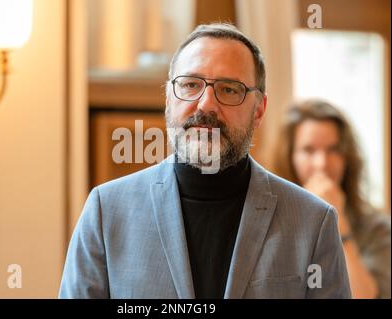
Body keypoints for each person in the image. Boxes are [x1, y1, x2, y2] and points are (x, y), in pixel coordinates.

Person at [59, 23, 351, 299]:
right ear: (168, 99)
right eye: (190, 85)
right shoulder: (106, 211)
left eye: (229, 89)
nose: (206, 104)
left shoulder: (314, 222)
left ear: (259, 109)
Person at [270, 99, 391, 299]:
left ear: (347, 157)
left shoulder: (376, 228)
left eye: (333, 150)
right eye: (309, 150)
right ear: (290, 156)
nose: (322, 164)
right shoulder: (269, 221)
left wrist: (337, 222)